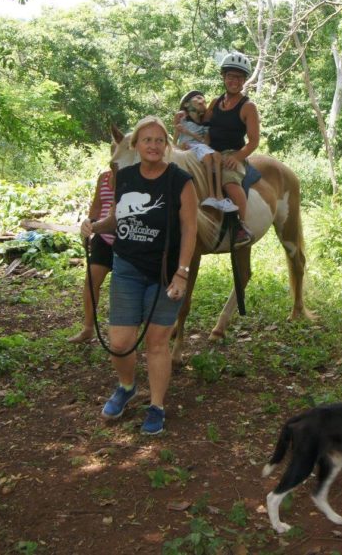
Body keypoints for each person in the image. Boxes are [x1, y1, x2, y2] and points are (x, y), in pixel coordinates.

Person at [80, 116, 198, 434]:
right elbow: (118, 216)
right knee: (120, 343)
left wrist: (183, 273)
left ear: (166, 146)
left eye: (159, 140)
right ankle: (127, 385)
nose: (153, 146)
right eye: (147, 140)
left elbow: (190, 228)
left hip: (165, 272)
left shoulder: (180, 181)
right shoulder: (128, 177)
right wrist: (95, 226)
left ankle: (157, 406)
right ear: (135, 146)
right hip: (128, 268)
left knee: (157, 344)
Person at [204, 52, 260, 246]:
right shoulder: (215, 102)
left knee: (229, 182)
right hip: (209, 152)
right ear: (223, 77)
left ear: (244, 80)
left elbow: (253, 141)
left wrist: (238, 157)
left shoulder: (248, 107)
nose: (234, 81)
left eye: (239, 77)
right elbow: (203, 123)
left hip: (232, 154)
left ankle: (240, 226)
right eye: (230, 76)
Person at [68, 168, 116, 343]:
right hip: (102, 237)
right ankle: (88, 328)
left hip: (126, 239)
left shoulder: (136, 175)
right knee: (91, 282)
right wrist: (89, 228)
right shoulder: (104, 177)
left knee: (122, 288)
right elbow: (97, 205)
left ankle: (123, 332)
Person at [174, 90, 233, 212]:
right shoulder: (182, 119)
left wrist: (189, 133)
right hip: (189, 147)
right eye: (198, 98)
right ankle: (211, 195)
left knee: (216, 156)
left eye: (204, 100)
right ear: (186, 104)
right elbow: (175, 139)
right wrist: (178, 146)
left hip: (200, 146)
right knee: (207, 156)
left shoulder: (205, 125)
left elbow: (205, 142)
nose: (203, 101)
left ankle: (218, 196)